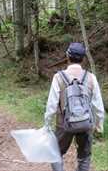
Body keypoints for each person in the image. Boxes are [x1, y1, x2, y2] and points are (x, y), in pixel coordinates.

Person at [44, 42, 105, 171]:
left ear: (67, 56)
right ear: (83, 59)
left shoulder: (58, 77)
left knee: (56, 154)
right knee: (84, 157)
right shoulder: (91, 77)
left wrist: (47, 124)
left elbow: (51, 104)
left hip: (63, 125)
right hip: (86, 124)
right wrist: (99, 125)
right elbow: (98, 105)